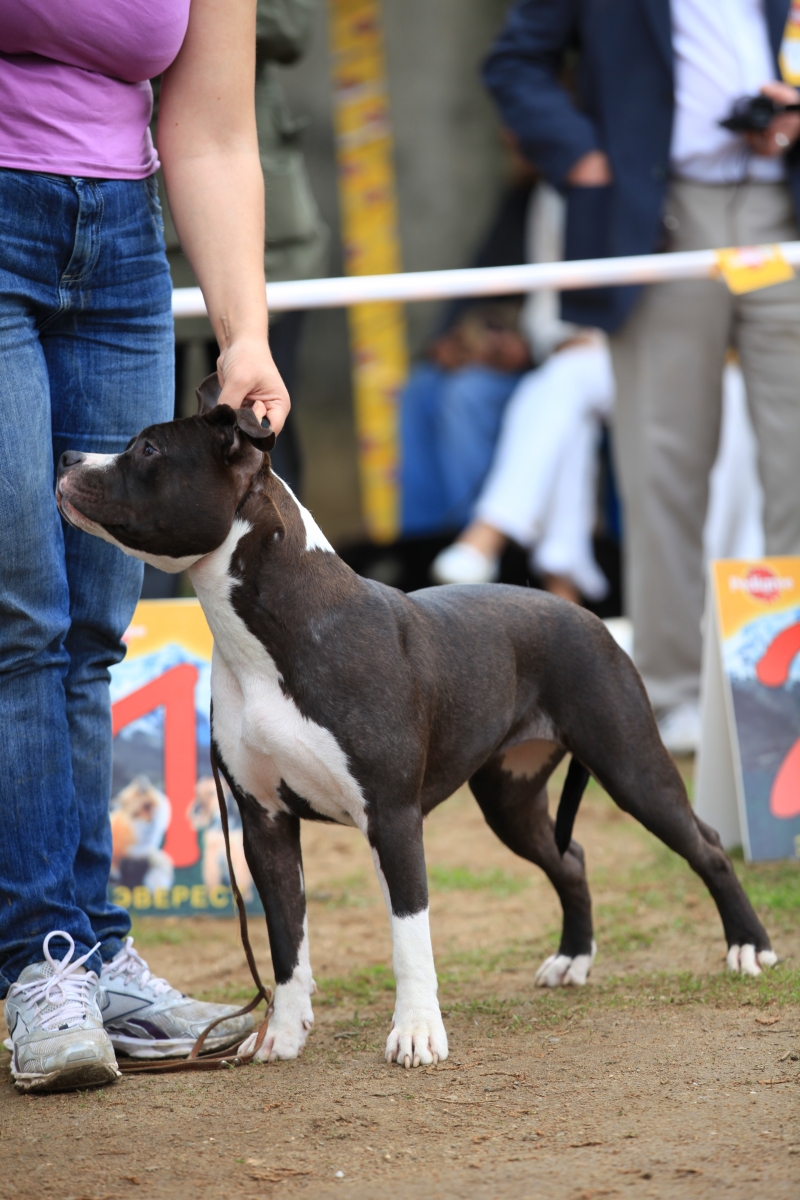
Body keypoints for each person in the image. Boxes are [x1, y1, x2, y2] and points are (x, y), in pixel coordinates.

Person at [0, 0, 289, 1091]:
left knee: (90, 624)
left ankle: (94, 952)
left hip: (119, 242)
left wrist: (243, 331)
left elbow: (211, 132)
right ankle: (43, 960)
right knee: (19, 613)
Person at [484, 0, 800, 753]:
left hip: (782, 202)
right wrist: (588, 161)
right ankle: (671, 695)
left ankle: (785, 699)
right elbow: (514, 63)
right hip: (659, 211)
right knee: (664, 465)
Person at [431, 181, 615, 603]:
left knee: (557, 388)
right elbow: (544, 310)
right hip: (569, 356)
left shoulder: (665, 174)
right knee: (562, 394)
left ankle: (489, 538)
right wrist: (552, 341)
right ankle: (562, 589)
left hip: (655, 352)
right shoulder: (553, 192)